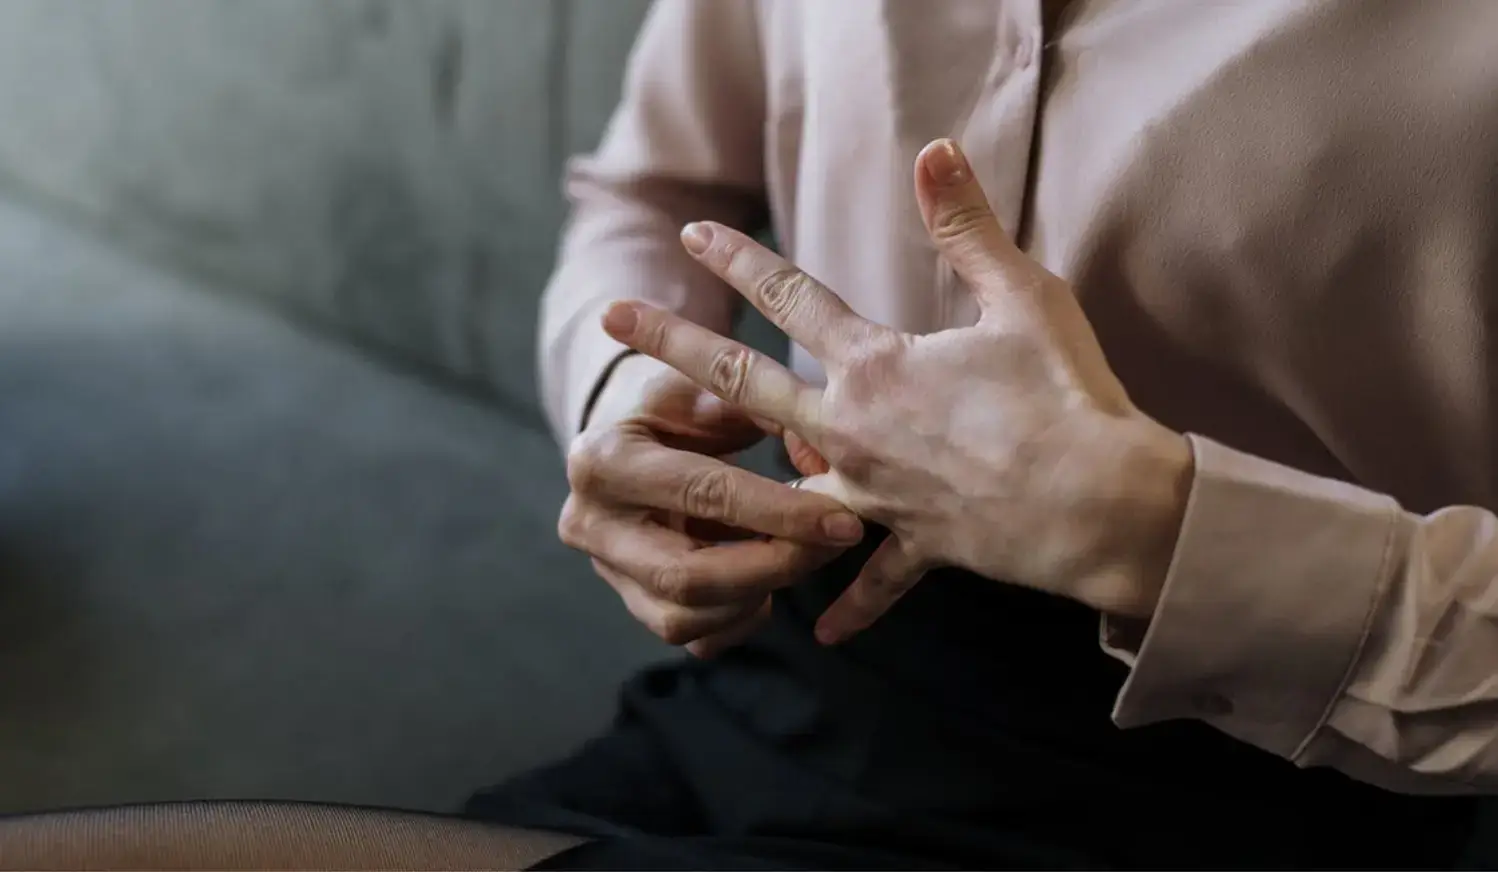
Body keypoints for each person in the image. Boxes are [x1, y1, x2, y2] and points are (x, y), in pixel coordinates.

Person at [466, 1, 1498, 868]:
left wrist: (1151, 530)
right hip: (805, 666)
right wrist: (627, 397)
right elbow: (651, 192)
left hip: (1268, 779)